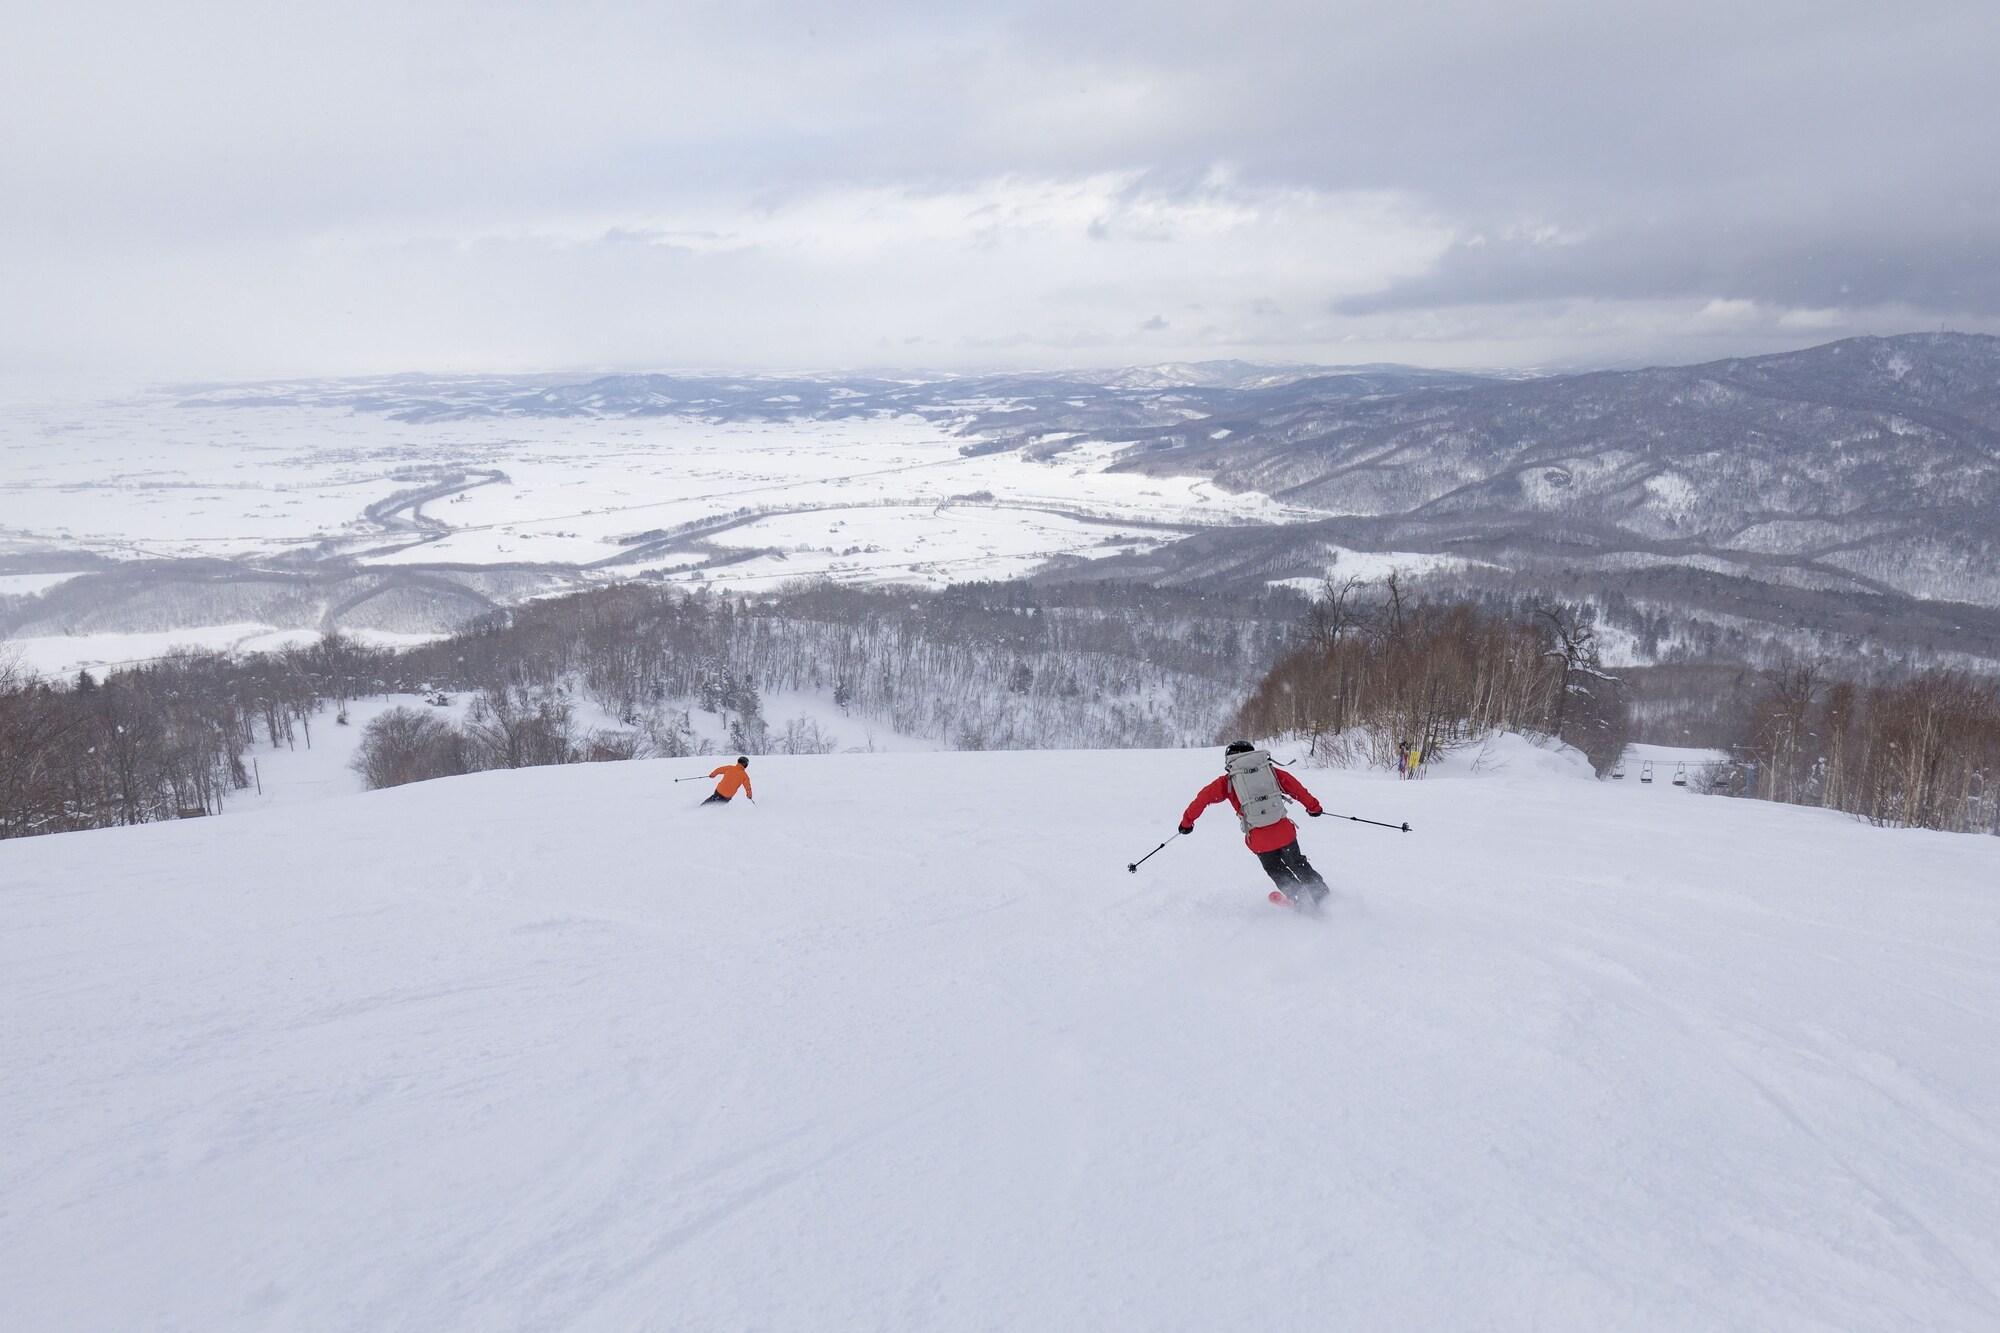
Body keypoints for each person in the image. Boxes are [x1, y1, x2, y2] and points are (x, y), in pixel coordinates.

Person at [1179, 741, 1329, 906]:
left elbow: (1201, 800)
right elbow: (1297, 789)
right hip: (1284, 832)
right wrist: (1314, 807)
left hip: (1259, 839)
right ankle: (1322, 896)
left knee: (1275, 869)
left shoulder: (1228, 781)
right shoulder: (1270, 772)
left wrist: (1187, 823)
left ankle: (1300, 898)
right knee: (1298, 863)